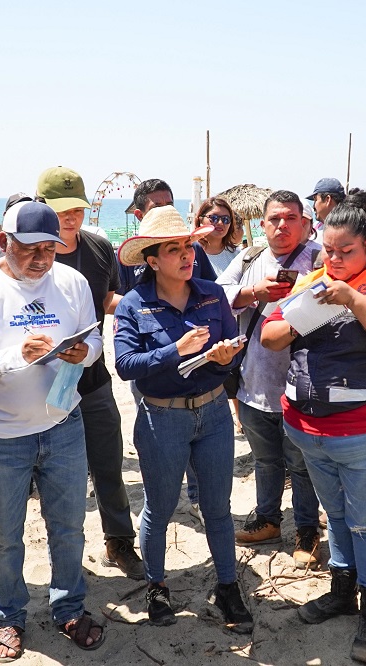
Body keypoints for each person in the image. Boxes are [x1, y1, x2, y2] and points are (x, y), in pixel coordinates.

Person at [261, 196, 366, 664]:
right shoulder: (311, 281)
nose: (333, 259)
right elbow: (270, 338)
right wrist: (305, 314)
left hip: (365, 433)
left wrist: (353, 299)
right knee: (335, 514)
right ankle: (342, 589)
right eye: (328, 250)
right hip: (307, 428)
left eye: (345, 251)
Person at [0, 200, 106, 661]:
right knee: (3, 534)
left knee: (69, 527)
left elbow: (95, 338)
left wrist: (85, 353)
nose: (41, 259)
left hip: (63, 423)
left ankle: (69, 608)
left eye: (50, 249)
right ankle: (7, 617)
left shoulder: (72, 282)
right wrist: (17, 354)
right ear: (3, 242)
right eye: (30, 248)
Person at [113, 205, 253, 632]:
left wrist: (226, 357)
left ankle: (227, 587)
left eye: (187, 247)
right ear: (152, 260)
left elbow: (233, 353)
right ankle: (157, 586)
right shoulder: (134, 304)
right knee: (159, 508)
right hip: (162, 418)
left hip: (214, 412)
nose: (186, 255)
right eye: (173, 249)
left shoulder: (211, 294)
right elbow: (125, 365)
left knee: (218, 508)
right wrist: (176, 350)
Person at [35, 166, 144, 579]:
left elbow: (107, 300)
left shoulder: (99, 248)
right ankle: (62, 556)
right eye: (61, 209)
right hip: (38, 386)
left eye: (77, 208)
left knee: (108, 466)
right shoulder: (21, 251)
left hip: (93, 379)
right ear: (41, 206)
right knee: (54, 479)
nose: (71, 217)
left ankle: (119, 542)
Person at [216, 190, 322, 568]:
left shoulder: (321, 259)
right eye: (275, 219)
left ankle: (307, 530)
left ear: (304, 223)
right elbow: (216, 297)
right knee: (265, 461)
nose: (282, 225)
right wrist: (253, 292)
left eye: (290, 218)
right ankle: (268, 520)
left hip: (303, 388)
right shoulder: (249, 257)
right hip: (253, 382)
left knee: (302, 465)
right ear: (262, 224)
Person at [111, 178, 217, 310]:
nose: (165, 211)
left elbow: (211, 291)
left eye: (169, 206)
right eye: (157, 207)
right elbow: (108, 298)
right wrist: (145, 308)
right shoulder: (125, 258)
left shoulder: (194, 248)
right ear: (139, 215)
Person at [195, 197, 240, 274]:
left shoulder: (237, 255)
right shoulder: (191, 252)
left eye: (226, 219)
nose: (220, 223)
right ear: (200, 220)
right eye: (214, 218)